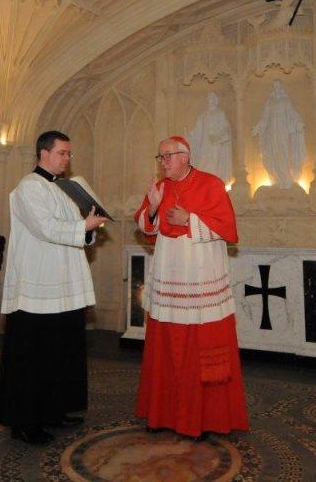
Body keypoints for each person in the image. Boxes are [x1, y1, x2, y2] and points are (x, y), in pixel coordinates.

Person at [0, 130, 106, 445]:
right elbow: (45, 228)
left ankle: (54, 409)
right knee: (34, 356)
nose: (68, 159)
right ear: (44, 153)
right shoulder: (29, 188)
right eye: (63, 153)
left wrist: (89, 225)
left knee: (61, 352)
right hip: (37, 287)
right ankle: (25, 421)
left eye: (69, 154)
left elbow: (75, 230)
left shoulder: (67, 189)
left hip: (64, 285)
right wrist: (83, 226)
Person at [134, 136, 248, 439]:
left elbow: (227, 227)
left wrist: (190, 219)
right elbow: (145, 226)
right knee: (166, 345)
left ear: (186, 156)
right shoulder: (159, 188)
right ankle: (162, 414)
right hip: (169, 274)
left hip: (200, 276)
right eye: (160, 157)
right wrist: (154, 209)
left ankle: (203, 419)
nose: (163, 163)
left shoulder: (211, 184)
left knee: (198, 346)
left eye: (168, 156)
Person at [251, 79, 306, 187]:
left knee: (284, 151)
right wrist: (257, 127)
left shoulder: (285, 101)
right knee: (273, 152)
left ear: (281, 87)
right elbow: (265, 118)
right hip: (272, 131)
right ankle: (277, 178)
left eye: (278, 85)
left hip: (283, 130)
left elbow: (292, 114)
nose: (276, 87)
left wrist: (298, 122)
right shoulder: (270, 102)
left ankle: (287, 178)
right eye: (274, 85)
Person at [188, 92, 233, 182]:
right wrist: (190, 135)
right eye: (209, 99)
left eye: (212, 99)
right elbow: (198, 129)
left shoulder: (220, 113)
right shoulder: (203, 115)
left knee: (215, 163)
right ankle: (204, 182)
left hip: (215, 143)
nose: (211, 101)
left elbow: (225, 127)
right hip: (205, 144)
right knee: (203, 162)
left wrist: (218, 136)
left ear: (216, 100)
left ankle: (214, 182)